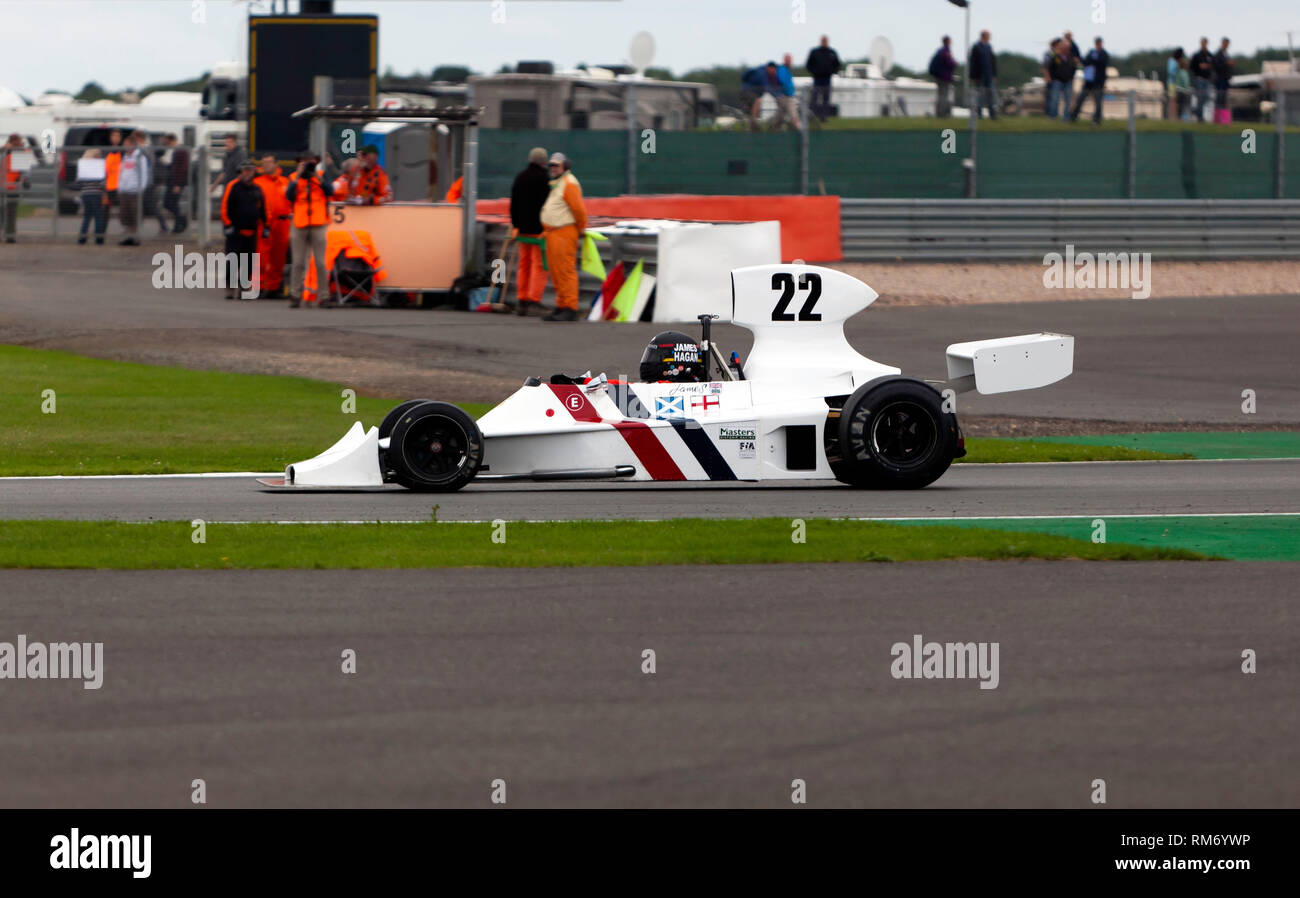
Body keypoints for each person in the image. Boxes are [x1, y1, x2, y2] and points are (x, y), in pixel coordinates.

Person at [539, 152, 587, 322]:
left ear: (565, 167)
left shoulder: (569, 183)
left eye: (557, 165)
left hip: (564, 232)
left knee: (565, 270)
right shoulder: (558, 183)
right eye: (551, 165)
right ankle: (561, 305)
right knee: (556, 272)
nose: (553, 168)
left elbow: (578, 210)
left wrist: (581, 228)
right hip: (553, 233)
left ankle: (570, 307)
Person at [285, 151, 334, 308]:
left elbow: (330, 191)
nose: (308, 164)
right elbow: (289, 196)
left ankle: (324, 296)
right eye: (304, 162)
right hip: (299, 222)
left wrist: (316, 177)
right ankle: (295, 295)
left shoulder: (321, 175)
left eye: (310, 161)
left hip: (319, 221)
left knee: (320, 262)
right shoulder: (293, 177)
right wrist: (299, 176)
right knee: (298, 262)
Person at [509, 146, 550, 317]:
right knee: (538, 265)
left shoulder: (520, 177)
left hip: (522, 230)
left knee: (523, 265)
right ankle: (534, 300)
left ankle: (522, 300)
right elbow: (548, 206)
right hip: (539, 230)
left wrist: (516, 225)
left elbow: (514, 203)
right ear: (543, 162)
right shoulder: (545, 179)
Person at [220, 161, 267, 300]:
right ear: (240, 172)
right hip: (235, 230)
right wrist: (228, 225)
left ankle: (244, 287)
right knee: (233, 260)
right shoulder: (232, 187)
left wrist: (266, 225)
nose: (248, 173)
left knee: (248, 260)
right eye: (245, 170)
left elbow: (263, 208)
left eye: (250, 170)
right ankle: (230, 288)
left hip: (251, 230)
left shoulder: (257, 189)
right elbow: (224, 207)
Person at [253, 155, 291, 298]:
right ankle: (258, 286)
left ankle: (274, 287)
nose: (266, 166)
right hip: (263, 223)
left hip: (282, 223)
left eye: (268, 163)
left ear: (276, 164)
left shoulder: (285, 182)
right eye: (263, 163)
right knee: (260, 256)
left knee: (279, 257)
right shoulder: (258, 182)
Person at [116, 132, 149, 246]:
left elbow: (144, 175)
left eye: (126, 144)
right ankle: (127, 237)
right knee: (125, 215)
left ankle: (135, 238)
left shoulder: (140, 157)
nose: (124, 146)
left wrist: (141, 189)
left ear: (132, 145)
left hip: (135, 192)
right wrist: (120, 187)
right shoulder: (125, 157)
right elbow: (121, 173)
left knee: (135, 215)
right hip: (124, 191)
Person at [1070, 37, 1110, 124]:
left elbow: (1099, 62)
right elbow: (1085, 61)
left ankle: (1097, 119)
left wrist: (1091, 60)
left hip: (1098, 82)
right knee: (1080, 100)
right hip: (1089, 81)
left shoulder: (1104, 54)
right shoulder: (1091, 52)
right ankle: (1073, 117)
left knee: (1098, 102)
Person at [75, 147, 107, 245]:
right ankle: (99, 239)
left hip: (85, 194)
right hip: (96, 194)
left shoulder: (83, 167)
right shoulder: (98, 167)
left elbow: (78, 182)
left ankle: (82, 238)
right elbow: (102, 183)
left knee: (86, 217)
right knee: (98, 217)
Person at [805, 35, 841, 122]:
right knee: (814, 99)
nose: (824, 42)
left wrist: (832, 71)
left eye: (825, 40)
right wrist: (814, 72)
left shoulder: (831, 52)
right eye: (823, 40)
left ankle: (823, 117)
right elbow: (808, 64)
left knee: (826, 100)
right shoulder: (815, 52)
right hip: (817, 80)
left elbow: (837, 64)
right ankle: (812, 117)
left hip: (827, 79)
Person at [161, 134, 189, 233]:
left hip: (177, 183)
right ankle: (180, 220)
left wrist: (177, 184)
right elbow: (175, 166)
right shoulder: (176, 151)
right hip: (172, 181)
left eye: (168, 143)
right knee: (168, 203)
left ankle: (179, 224)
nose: (167, 145)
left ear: (172, 141)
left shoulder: (181, 151)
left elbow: (182, 168)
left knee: (172, 203)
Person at [969, 30, 998, 119]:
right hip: (979, 75)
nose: (989, 37)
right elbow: (973, 62)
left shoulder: (989, 47)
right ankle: (979, 114)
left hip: (989, 74)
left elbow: (993, 61)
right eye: (988, 35)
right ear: (984, 36)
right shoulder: (976, 47)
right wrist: (974, 76)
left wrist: (994, 74)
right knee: (979, 95)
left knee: (991, 94)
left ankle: (992, 114)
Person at [1045, 38, 1076, 120]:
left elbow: (1074, 68)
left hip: (1068, 81)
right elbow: (1049, 67)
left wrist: (1071, 77)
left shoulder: (1071, 57)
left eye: (1067, 48)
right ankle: (1052, 116)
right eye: (1065, 48)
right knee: (1055, 99)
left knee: (1068, 101)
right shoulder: (1055, 56)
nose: (1066, 49)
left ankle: (1066, 117)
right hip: (1057, 81)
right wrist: (1050, 78)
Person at [2, 133, 25, 243]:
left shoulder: (17, 152)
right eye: (19, 141)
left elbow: (24, 170)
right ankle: (9, 235)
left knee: (9, 211)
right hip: (8, 186)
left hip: (10, 186)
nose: (21, 143)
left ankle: (9, 235)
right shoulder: (5, 152)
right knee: (8, 212)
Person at [929, 36, 957, 117]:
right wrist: (954, 63)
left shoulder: (940, 51)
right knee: (943, 96)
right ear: (947, 41)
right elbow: (949, 62)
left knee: (940, 95)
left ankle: (939, 112)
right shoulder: (945, 51)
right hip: (944, 77)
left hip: (939, 76)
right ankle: (941, 113)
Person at [1190, 37, 1214, 122]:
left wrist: (1206, 66)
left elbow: (1213, 65)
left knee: (1206, 97)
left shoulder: (1209, 55)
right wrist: (1199, 68)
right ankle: (1199, 117)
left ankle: (1197, 113)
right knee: (1200, 98)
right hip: (1199, 79)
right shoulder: (1197, 55)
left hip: (1207, 79)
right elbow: (1192, 66)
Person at [776, 53, 801, 129]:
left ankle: (775, 129)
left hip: (787, 95)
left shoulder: (786, 69)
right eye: (788, 60)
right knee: (793, 114)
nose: (789, 62)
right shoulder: (782, 69)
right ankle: (800, 131)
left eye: (790, 60)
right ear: (785, 60)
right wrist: (786, 90)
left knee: (781, 115)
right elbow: (782, 81)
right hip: (786, 96)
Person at [740, 65, 768, 129]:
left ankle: (751, 126)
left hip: (745, 92)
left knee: (751, 111)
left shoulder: (759, 72)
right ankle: (753, 121)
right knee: (757, 101)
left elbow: (743, 76)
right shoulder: (761, 73)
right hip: (747, 92)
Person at [1212, 37, 1234, 117]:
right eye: (1226, 43)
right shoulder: (1218, 54)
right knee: (1219, 98)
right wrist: (1226, 64)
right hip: (1220, 79)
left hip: (1225, 79)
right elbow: (1216, 66)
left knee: (1224, 99)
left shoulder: (1227, 54)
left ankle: (1223, 117)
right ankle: (1218, 117)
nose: (1227, 45)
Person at [104, 129, 122, 215]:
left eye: (118, 136)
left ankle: (127, 227)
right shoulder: (106, 152)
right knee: (105, 210)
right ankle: (101, 228)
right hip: (108, 187)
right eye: (114, 136)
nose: (116, 138)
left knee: (124, 211)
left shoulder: (123, 151)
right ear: (111, 137)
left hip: (120, 187)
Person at [1166, 48, 1188, 119]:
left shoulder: (1173, 61)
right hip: (1172, 83)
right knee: (1172, 100)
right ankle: (1171, 116)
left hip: (1175, 83)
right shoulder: (1172, 61)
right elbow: (1170, 72)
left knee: (1175, 101)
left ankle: (1174, 116)